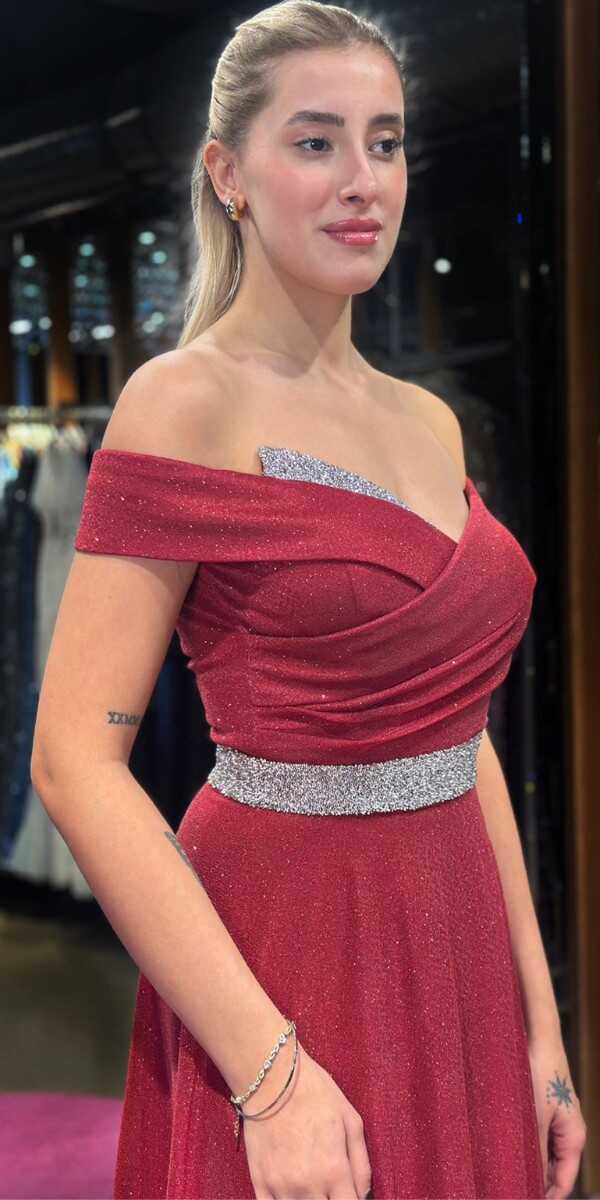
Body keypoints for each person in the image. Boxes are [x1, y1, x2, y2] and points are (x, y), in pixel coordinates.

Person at [31, 1, 586, 1197]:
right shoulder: (185, 402)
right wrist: (268, 1070)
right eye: (316, 141)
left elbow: (461, 735)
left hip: (458, 944)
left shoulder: (427, 421)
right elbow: (74, 761)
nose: (362, 181)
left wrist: (542, 1028)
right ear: (229, 174)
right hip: (287, 947)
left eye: (385, 143)